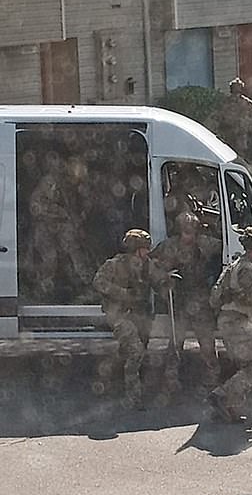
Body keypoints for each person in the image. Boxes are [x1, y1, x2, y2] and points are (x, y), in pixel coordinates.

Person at [92, 229, 168, 408]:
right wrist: (123, 294)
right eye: (144, 248)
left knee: (130, 351)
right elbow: (98, 282)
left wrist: (166, 281)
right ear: (136, 249)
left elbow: (157, 280)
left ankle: (109, 379)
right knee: (136, 351)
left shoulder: (147, 264)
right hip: (120, 315)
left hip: (141, 315)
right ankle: (133, 397)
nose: (147, 252)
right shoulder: (115, 264)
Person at [206, 227, 252, 422]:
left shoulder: (237, 264)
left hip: (232, 321)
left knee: (246, 366)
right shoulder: (246, 268)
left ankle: (230, 406)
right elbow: (247, 297)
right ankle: (221, 396)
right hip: (236, 323)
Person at [154, 212, 223, 393]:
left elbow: (225, 246)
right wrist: (164, 278)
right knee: (176, 341)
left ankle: (212, 376)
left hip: (200, 299)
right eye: (185, 232)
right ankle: (171, 377)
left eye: (192, 232)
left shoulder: (206, 243)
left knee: (207, 340)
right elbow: (152, 265)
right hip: (179, 299)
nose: (189, 236)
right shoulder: (169, 246)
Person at [29, 154, 92, 300]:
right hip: (47, 227)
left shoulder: (70, 185)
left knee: (76, 255)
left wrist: (79, 217)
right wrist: (60, 213)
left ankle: (83, 286)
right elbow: (36, 206)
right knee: (51, 260)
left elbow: (78, 207)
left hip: (63, 227)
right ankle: (44, 292)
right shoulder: (50, 182)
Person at [217, 78, 252, 159]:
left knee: (230, 152)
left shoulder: (226, 101)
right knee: (239, 153)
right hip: (236, 132)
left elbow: (219, 116)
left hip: (234, 132)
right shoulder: (245, 101)